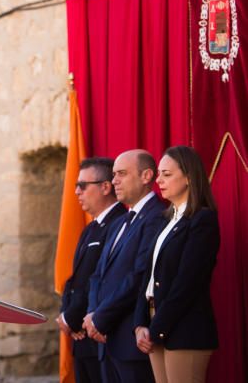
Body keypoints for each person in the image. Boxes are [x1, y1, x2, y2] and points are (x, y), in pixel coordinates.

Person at [134, 145, 220, 383]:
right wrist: (140, 323)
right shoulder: (165, 219)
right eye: (159, 174)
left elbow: (187, 282)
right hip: (155, 321)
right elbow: (148, 275)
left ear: (189, 177)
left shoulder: (202, 220)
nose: (158, 180)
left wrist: (156, 327)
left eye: (167, 174)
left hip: (185, 326)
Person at [84, 149, 164, 383]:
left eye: (121, 174)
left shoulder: (157, 216)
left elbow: (138, 276)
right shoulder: (120, 222)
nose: (114, 180)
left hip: (131, 342)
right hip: (105, 341)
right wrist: (91, 313)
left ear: (147, 176)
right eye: (113, 174)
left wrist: (100, 318)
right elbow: (97, 274)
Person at [56, 157, 126, 383]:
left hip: (100, 333)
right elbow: (75, 279)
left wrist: (74, 318)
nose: (76, 191)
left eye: (83, 185)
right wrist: (67, 316)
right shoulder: (90, 229)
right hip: (80, 336)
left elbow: (104, 278)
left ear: (106, 187)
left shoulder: (121, 222)